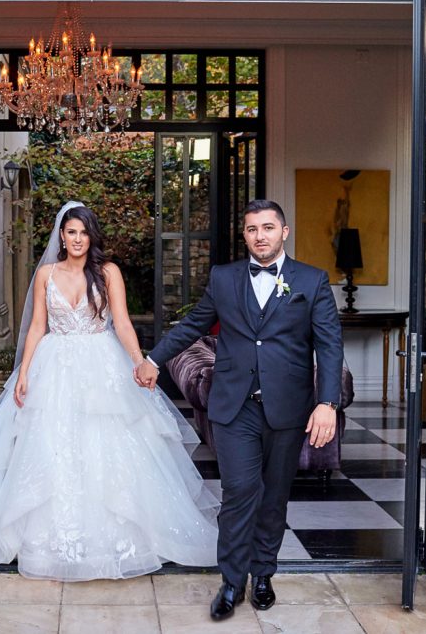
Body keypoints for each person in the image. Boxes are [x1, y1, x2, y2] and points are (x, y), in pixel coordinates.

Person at [0, 201, 218, 581]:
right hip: (53, 365)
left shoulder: (108, 272)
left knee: (105, 444)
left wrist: (139, 361)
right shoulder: (46, 274)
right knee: (49, 444)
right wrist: (24, 371)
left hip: (102, 363)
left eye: (84, 232)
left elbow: (123, 323)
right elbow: (37, 327)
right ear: (62, 234)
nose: (77, 239)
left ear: (92, 236)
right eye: (71, 232)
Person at [135, 199, 343, 621]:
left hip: (288, 408)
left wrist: (327, 402)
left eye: (268, 227)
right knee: (238, 494)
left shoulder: (312, 280)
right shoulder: (224, 278)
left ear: (284, 232)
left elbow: (330, 344)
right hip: (233, 406)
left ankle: (263, 574)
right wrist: (153, 360)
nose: (260, 235)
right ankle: (232, 581)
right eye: (251, 229)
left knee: (274, 498)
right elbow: (194, 324)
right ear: (244, 235)